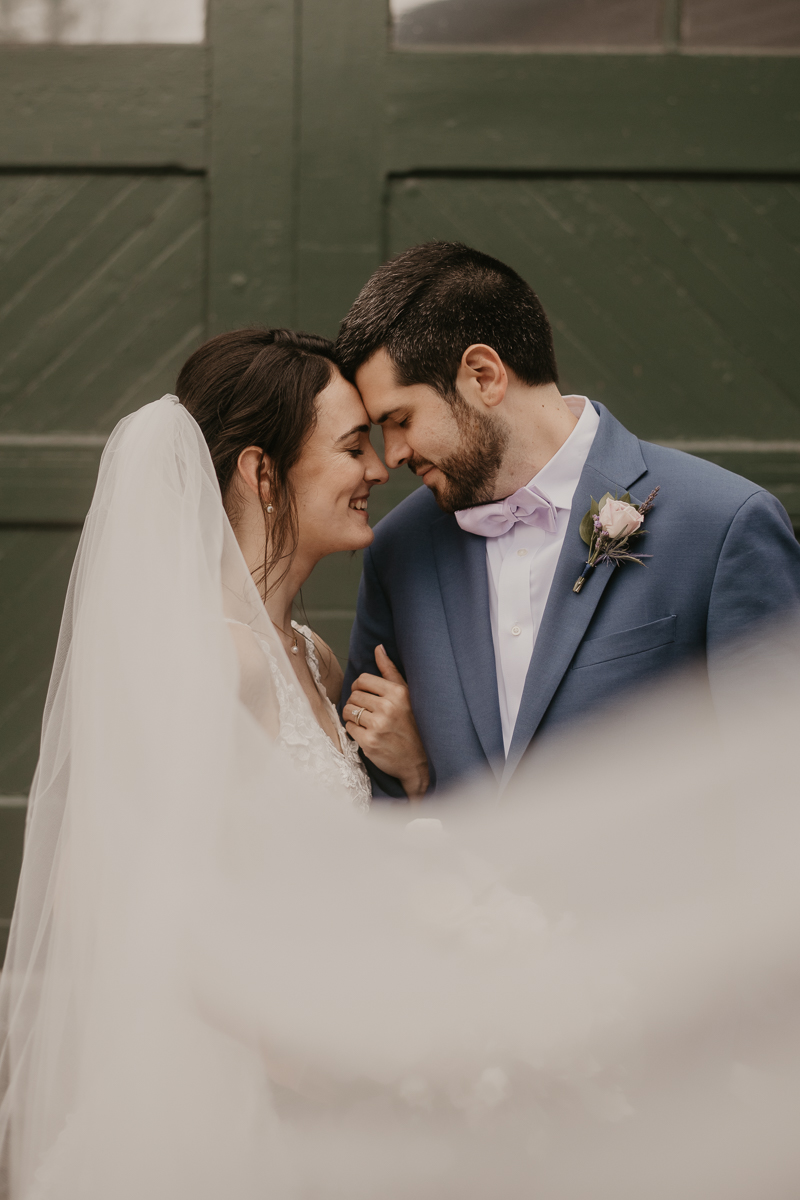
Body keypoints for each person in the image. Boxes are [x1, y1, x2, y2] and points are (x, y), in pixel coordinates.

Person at [337, 241, 800, 798]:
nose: (393, 454)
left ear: (483, 375)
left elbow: (777, 789)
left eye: (401, 419)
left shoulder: (724, 525)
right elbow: (374, 782)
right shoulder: (398, 550)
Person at [176, 328, 429, 804]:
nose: (379, 469)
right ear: (264, 474)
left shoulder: (317, 660)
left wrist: (415, 774)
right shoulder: (210, 658)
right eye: (354, 448)